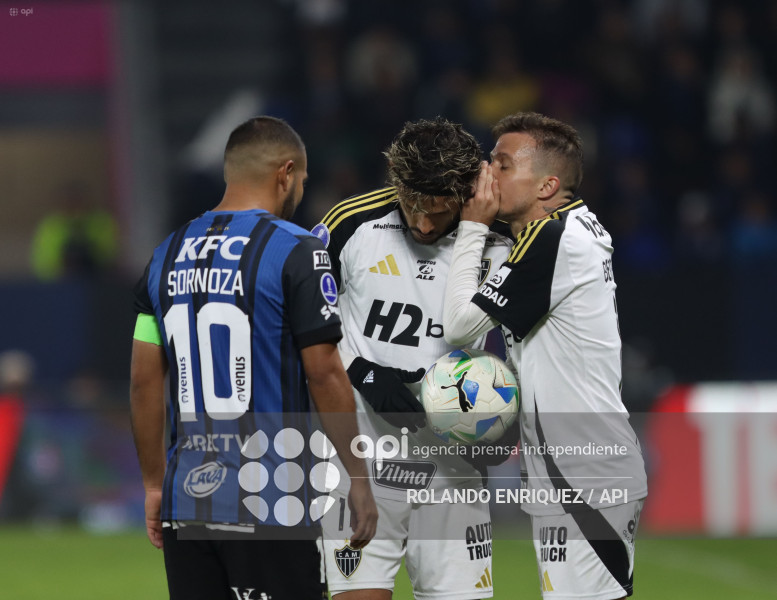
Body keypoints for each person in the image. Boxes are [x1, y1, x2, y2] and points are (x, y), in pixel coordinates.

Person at [130, 116, 377, 600]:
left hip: (188, 502)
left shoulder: (164, 255)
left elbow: (143, 382)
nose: (301, 191)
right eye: (302, 180)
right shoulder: (298, 251)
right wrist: (357, 476)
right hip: (272, 499)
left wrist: (154, 485)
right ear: (286, 173)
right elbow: (324, 372)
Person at [443, 112, 648, 599]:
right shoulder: (568, 229)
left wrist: (472, 227)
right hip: (571, 471)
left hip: (583, 475)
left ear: (547, 185)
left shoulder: (552, 238)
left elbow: (458, 327)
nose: (488, 173)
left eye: (503, 164)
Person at [312, 117, 514, 599]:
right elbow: (299, 321)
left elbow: (526, 347)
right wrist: (361, 371)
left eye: (439, 211)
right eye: (413, 206)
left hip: (454, 468)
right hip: (359, 460)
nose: (423, 223)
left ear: (466, 194)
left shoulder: (502, 241)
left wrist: (509, 423)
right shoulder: (349, 224)